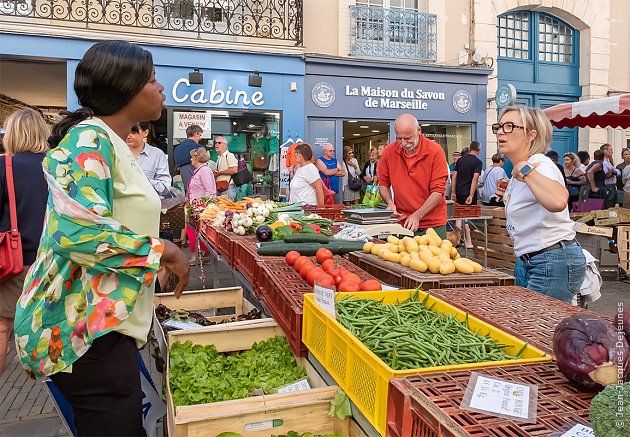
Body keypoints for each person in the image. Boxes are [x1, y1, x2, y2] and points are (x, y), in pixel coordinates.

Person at [13, 41, 190, 436]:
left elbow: (114, 221)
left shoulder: (110, 141)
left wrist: (147, 265)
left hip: (105, 327)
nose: (161, 89)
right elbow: (78, 233)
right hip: (86, 333)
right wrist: (166, 252)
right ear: (124, 88)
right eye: (152, 79)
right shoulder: (89, 141)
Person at [494, 105, 585, 303]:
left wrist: (525, 170)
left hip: (553, 261)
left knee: (535, 328)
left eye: (510, 126)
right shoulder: (519, 170)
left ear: (531, 135)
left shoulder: (539, 165)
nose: (501, 131)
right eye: (499, 126)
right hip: (534, 259)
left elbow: (558, 200)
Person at [0, 109, 49, 379]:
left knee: (3, 325)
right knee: (50, 322)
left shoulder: (4, 167)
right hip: (53, 259)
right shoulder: (55, 164)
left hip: (15, 261)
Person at [377, 113, 448, 238]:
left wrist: (417, 215)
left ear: (419, 130)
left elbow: (438, 191)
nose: (403, 143)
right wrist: (390, 203)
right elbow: (383, 183)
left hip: (432, 223)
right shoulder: (389, 151)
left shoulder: (435, 151)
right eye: (399, 138)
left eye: (407, 138)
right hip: (402, 222)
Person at [186, 147, 215, 265]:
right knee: (192, 231)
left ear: (197, 158)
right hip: (195, 207)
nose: (190, 159)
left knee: (196, 232)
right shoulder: (199, 171)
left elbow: (210, 191)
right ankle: (199, 254)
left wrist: (204, 206)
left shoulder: (205, 171)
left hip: (200, 209)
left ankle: (197, 256)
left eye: (192, 157)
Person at [451, 141, 483, 248]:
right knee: (468, 217)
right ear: (478, 150)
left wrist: (453, 192)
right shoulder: (477, 162)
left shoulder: (460, 160)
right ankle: (469, 241)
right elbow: (475, 179)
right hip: (468, 192)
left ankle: (457, 239)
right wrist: (471, 195)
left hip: (459, 191)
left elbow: (454, 177)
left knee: (459, 216)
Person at [126, 121, 172, 195]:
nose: (128, 136)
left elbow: (165, 186)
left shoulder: (157, 154)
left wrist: (144, 181)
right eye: (126, 132)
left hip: (147, 203)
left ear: (145, 133)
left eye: (133, 133)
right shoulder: (116, 151)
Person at [174, 124, 203, 191]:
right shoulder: (198, 148)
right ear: (196, 134)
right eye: (200, 135)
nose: (200, 138)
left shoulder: (177, 149)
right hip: (198, 186)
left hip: (186, 185)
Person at [213, 135, 238, 200]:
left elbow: (234, 170)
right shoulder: (219, 157)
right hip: (220, 187)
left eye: (219, 143)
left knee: (227, 208)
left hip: (228, 188)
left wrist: (219, 173)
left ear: (225, 145)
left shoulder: (229, 155)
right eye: (215, 143)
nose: (216, 145)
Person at [600, 143, 619, 208]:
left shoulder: (608, 162)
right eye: (610, 150)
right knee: (608, 206)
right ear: (605, 151)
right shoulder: (603, 162)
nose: (612, 151)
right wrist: (612, 172)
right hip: (607, 187)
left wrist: (613, 171)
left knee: (613, 206)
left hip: (613, 186)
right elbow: (607, 175)